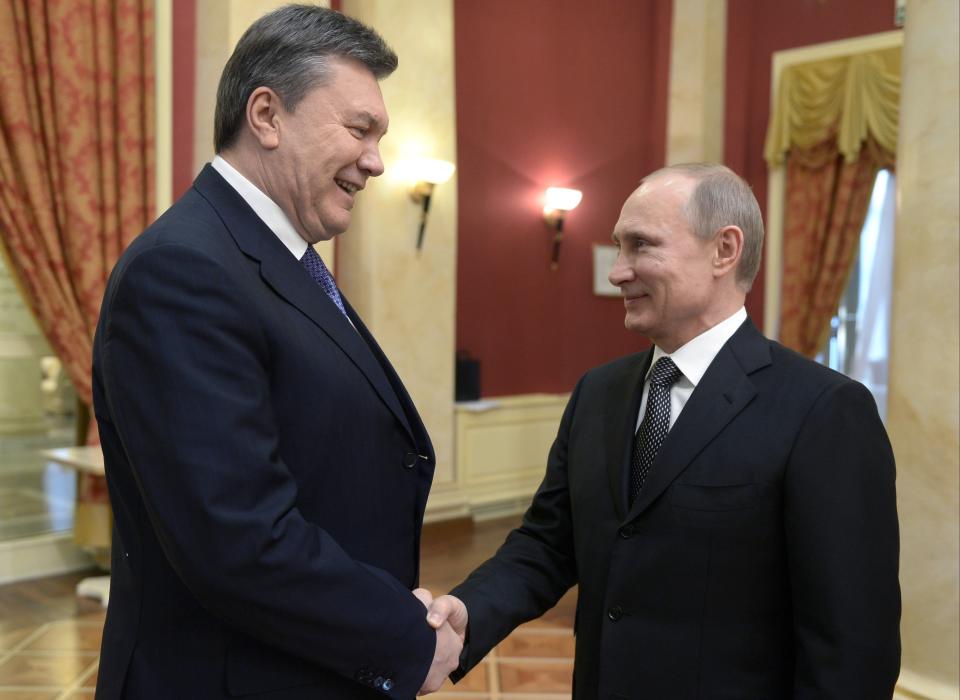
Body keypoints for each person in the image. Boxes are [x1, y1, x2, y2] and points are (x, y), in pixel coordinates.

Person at [424, 163, 901, 698]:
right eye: (618, 247)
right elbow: (549, 544)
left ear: (725, 250)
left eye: (641, 246)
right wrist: (469, 612)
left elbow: (851, 649)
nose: (617, 271)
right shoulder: (598, 393)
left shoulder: (824, 411)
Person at [92, 6, 460, 698]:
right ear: (267, 116)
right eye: (360, 129)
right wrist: (404, 637)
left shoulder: (276, 260)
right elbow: (239, 540)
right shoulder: (184, 271)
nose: (377, 162)